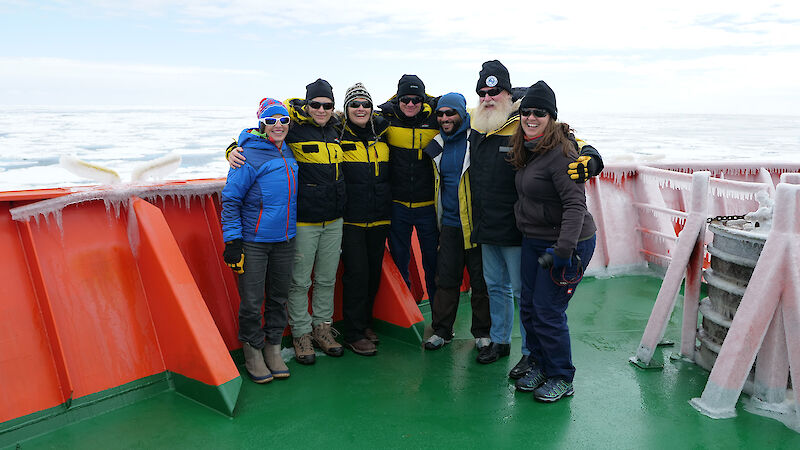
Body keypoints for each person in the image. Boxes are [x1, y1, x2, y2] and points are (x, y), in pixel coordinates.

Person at [468, 61, 604, 372]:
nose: (488, 97)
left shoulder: (525, 120)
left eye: (495, 91)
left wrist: (592, 157)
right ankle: (500, 340)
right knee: (495, 287)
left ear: (508, 92)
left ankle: (531, 354)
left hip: (519, 229)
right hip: (487, 225)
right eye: (483, 93)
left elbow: (571, 141)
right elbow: (439, 107)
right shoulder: (476, 122)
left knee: (525, 296)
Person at [227, 79, 345, 365]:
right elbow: (251, 143)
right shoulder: (287, 134)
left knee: (323, 280)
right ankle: (299, 335)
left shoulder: (338, 129)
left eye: (327, 105)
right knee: (295, 284)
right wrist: (232, 148)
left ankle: (321, 330)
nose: (321, 109)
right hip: (296, 224)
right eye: (315, 104)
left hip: (322, 223)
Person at [510, 81, 597, 402]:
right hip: (534, 240)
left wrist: (563, 250)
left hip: (566, 243)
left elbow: (576, 206)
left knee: (548, 311)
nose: (531, 117)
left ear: (552, 117)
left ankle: (562, 375)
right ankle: (541, 364)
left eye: (540, 113)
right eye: (527, 112)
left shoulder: (562, 155)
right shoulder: (528, 149)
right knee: (531, 307)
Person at [221, 97, 297, 383]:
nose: (278, 126)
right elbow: (230, 199)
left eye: (283, 120)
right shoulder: (247, 155)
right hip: (254, 241)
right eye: (271, 121)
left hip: (285, 239)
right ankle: (253, 351)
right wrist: (233, 242)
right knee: (252, 301)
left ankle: (273, 349)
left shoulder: (289, 151)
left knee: (279, 297)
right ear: (261, 124)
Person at [422, 93, 491, 351]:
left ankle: (483, 332)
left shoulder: (478, 139)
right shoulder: (438, 143)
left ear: (463, 113)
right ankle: (442, 330)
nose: (444, 118)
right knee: (446, 279)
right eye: (440, 114)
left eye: (450, 113)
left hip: (475, 223)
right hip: (449, 224)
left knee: (480, 281)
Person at [338, 83, 391, 356]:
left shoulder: (383, 132)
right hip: (352, 220)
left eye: (365, 104)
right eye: (355, 104)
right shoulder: (337, 133)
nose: (361, 108)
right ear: (346, 109)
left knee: (372, 275)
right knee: (356, 275)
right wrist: (234, 147)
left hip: (379, 217)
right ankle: (354, 332)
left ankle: (365, 323)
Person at [378, 75, 440, 304]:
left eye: (416, 99)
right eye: (405, 99)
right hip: (398, 207)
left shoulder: (436, 118)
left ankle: (440, 319)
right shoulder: (385, 119)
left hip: (428, 208)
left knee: (433, 263)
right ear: (398, 99)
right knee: (399, 262)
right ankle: (407, 315)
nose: (411, 104)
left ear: (423, 99)